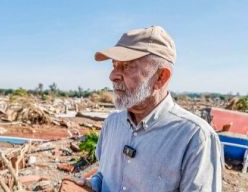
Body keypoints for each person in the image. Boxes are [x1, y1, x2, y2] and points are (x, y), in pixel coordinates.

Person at [88, 26, 222, 192]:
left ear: (161, 77)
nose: (112, 75)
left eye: (127, 66)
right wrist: (92, 184)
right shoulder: (112, 123)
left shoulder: (195, 138)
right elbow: (104, 175)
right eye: (114, 65)